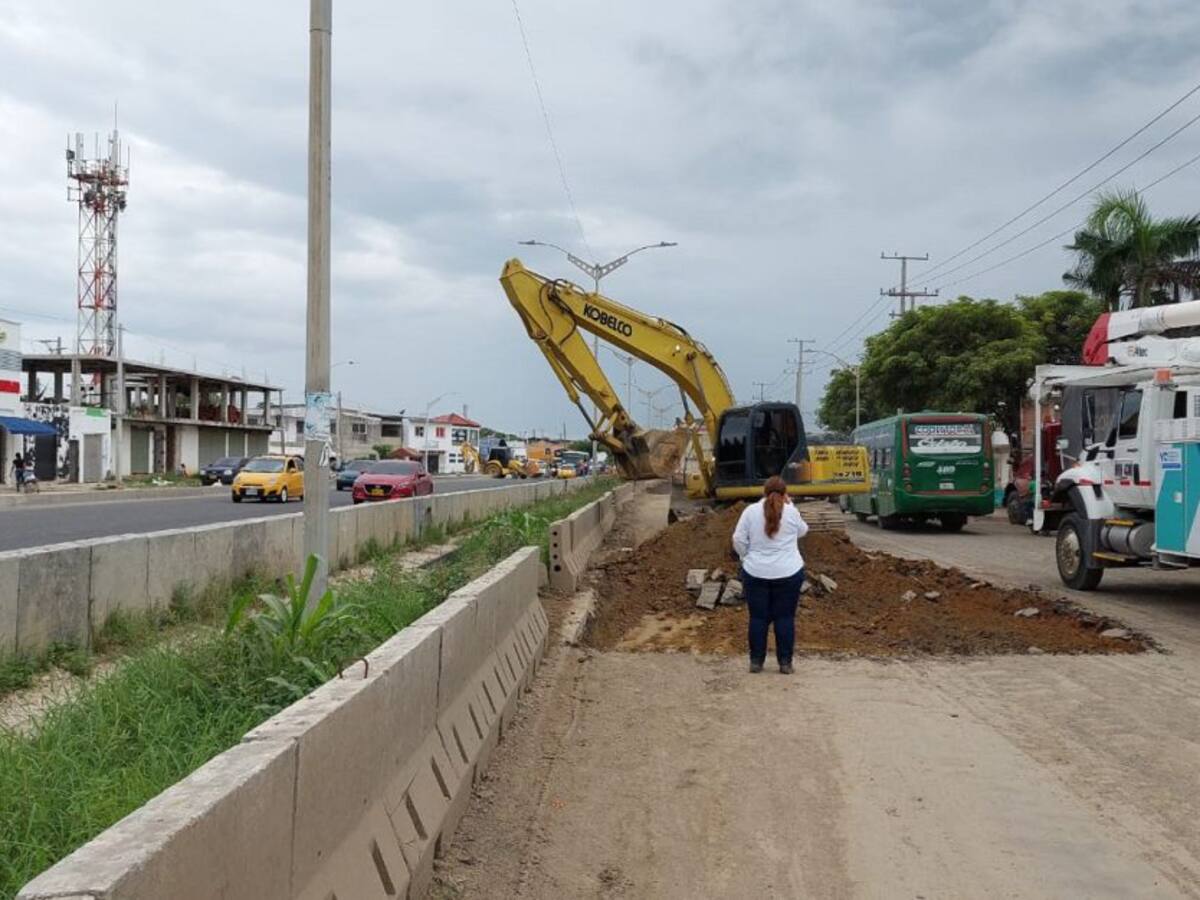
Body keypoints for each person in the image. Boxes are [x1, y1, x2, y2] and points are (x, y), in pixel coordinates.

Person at [732, 475, 809, 674]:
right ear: (785, 494)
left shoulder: (750, 512)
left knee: (758, 618)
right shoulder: (791, 512)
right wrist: (790, 505)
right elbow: (803, 531)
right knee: (785, 618)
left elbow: (738, 539)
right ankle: (785, 663)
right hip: (789, 572)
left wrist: (746, 557)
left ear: (764, 492)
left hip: (755, 572)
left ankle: (756, 662)